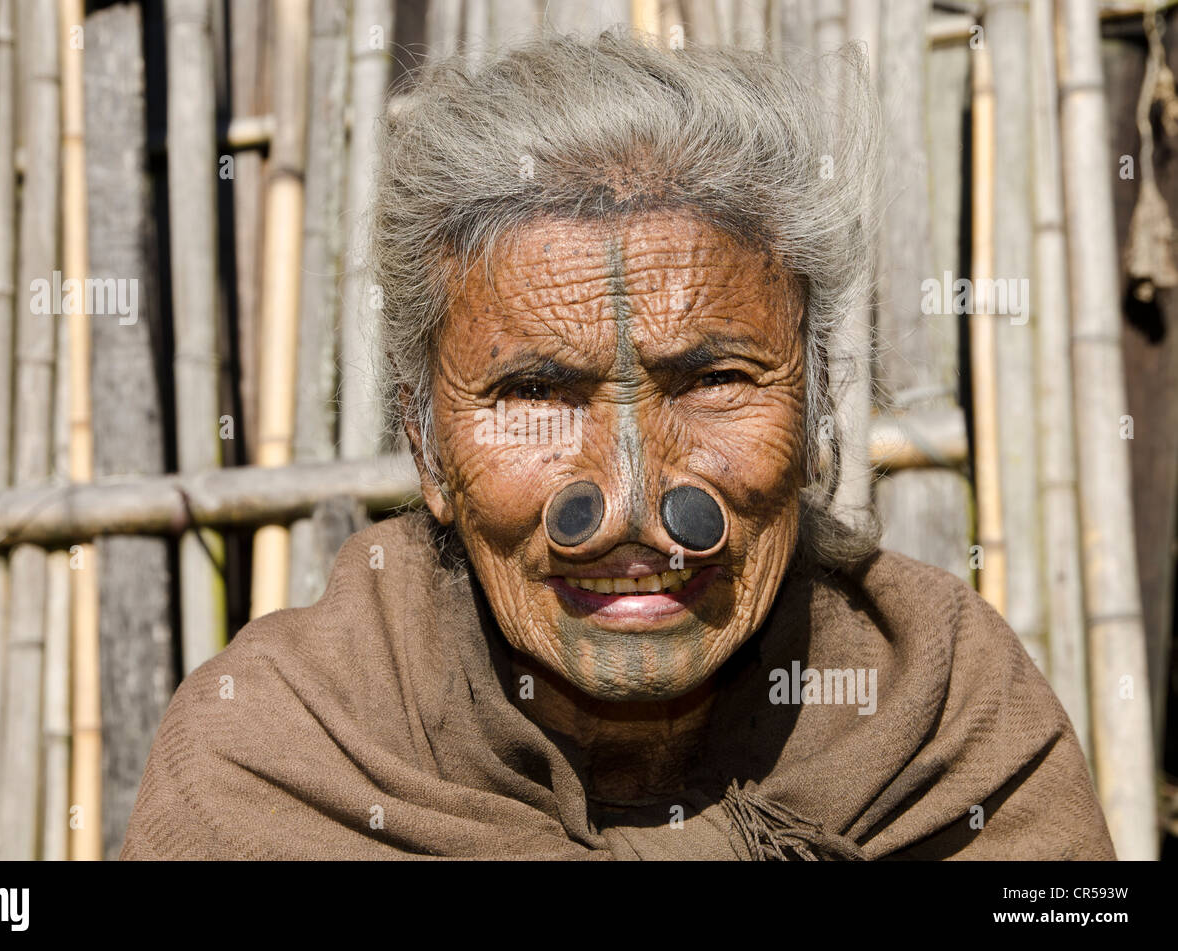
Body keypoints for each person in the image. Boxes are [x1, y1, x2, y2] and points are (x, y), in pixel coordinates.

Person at [122, 29, 1114, 860]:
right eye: (536, 393)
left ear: (816, 413)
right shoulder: (282, 757)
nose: (633, 506)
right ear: (427, 452)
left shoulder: (942, 714)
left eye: (714, 381)